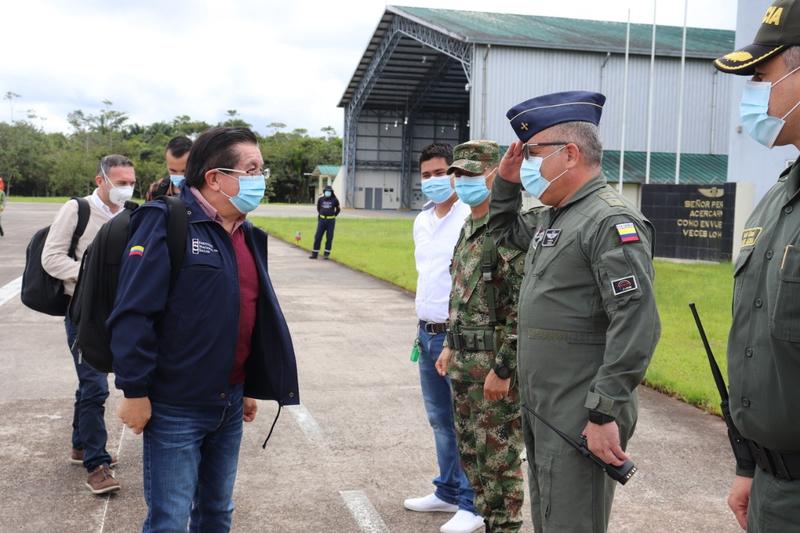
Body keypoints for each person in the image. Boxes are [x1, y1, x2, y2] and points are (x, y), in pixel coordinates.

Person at [108, 127, 299, 532]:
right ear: (215, 177)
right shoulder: (166, 221)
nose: (261, 179)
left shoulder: (248, 235)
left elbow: (249, 315)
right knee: (170, 520)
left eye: (261, 169)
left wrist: (249, 385)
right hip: (175, 406)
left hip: (228, 403)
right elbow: (133, 313)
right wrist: (135, 391)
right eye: (252, 169)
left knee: (216, 512)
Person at [488, 91, 660, 532]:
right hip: (547, 403)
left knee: (572, 522)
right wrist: (506, 182)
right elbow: (504, 233)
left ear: (570, 153)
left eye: (531, 153)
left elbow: (636, 323)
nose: (524, 162)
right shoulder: (557, 216)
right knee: (551, 518)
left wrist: (603, 413)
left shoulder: (608, 221)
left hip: (582, 410)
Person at [712, 3, 800, 530]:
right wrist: (750, 463)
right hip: (772, 486)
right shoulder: (778, 197)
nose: (752, 95)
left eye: (762, 77)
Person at [434, 140, 525, 533]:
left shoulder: (509, 232)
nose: (461, 181)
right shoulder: (468, 227)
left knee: (499, 467)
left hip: (493, 373)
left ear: (496, 175)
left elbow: (524, 309)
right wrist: (450, 346)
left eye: (472, 174)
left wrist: (503, 370)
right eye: (458, 174)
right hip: (464, 369)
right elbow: (463, 295)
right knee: (474, 462)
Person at [41, 154, 137, 494]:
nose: (127, 188)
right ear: (101, 181)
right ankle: (97, 463)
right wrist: (86, 278)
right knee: (95, 384)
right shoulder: (78, 210)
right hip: (82, 311)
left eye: (131, 182)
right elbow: (51, 257)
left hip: (117, 312)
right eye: (120, 182)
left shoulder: (130, 214)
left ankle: (80, 445)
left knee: (89, 382)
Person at [404, 143, 480, 533]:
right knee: (440, 420)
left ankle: (472, 504)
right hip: (427, 331)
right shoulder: (422, 220)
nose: (434, 180)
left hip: (459, 336)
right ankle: (448, 490)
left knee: (467, 420)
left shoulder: (470, 217)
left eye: (441, 172)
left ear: (456, 174)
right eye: (427, 174)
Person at [145, 135, 193, 201]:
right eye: (173, 170)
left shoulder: (204, 191)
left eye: (184, 171)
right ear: (167, 163)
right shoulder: (156, 189)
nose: (178, 175)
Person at [309, 185, 340, 259]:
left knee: (329, 237)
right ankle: (314, 254)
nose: (327, 192)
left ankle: (326, 254)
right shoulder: (320, 199)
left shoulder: (335, 200)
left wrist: (334, 215)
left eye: (329, 191)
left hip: (331, 221)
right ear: (324, 192)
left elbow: (338, 209)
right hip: (322, 220)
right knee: (318, 236)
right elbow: (318, 209)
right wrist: (321, 215)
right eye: (326, 191)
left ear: (331, 192)